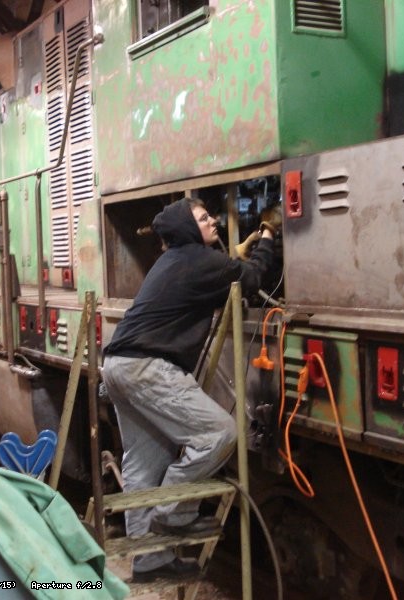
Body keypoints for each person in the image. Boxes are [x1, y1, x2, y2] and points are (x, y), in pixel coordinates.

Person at [101, 197, 276, 582]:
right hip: (147, 367)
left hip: (117, 364)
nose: (213, 219)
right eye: (203, 218)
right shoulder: (200, 260)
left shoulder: (178, 259)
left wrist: (233, 255)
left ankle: (148, 560)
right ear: (186, 229)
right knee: (220, 432)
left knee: (144, 464)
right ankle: (172, 516)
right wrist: (267, 234)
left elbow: (219, 272)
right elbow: (252, 278)